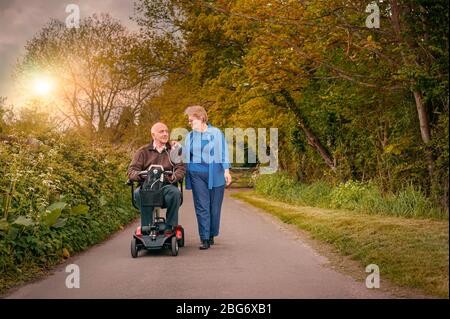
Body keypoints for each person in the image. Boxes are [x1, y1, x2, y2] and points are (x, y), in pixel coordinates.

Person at [183, 105, 232, 250]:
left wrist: (226, 171)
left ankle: (211, 234)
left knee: (214, 207)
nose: (189, 123)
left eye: (191, 120)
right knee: (201, 206)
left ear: (201, 118)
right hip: (196, 174)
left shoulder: (216, 133)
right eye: (189, 121)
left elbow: (223, 152)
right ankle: (204, 238)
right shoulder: (189, 136)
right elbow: (185, 155)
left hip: (215, 175)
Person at [127, 122, 186, 232]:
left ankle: (170, 227)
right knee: (138, 193)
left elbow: (181, 168)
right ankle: (147, 227)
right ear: (153, 135)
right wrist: (140, 176)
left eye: (166, 131)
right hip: (147, 187)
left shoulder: (173, 151)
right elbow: (131, 170)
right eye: (161, 131)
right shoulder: (143, 151)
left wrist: (174, 176)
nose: (165, 134)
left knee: (175, 193)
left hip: (166, 187)